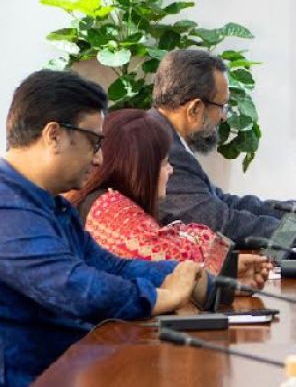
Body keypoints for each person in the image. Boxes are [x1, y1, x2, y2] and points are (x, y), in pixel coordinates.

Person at [0, 70, 207, 386]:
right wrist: (159, 297)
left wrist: (187, 274)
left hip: (72, 368)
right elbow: (75, 288)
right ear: (54, 135)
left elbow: (108, 265)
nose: (99, 159)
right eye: (94, 142)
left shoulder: (48, 203)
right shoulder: (7, 206)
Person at [151, 49, 296, 245]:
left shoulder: (163, 135)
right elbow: (222, 224)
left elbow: (227, 204)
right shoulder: (164, 149)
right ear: (195, 108)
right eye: (222, 106)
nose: (223, 117)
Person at [66, 109, 270, 289]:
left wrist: (223, 276)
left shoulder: (106, 201)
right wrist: (216, 258)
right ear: (138, 169)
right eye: (164, 163)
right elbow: (178, 258)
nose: (171, 171)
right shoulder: (110, 209)